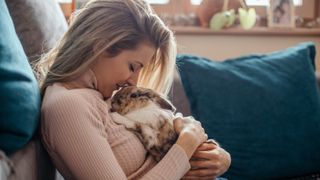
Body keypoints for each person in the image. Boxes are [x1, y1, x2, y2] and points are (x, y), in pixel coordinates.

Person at [36, 0, 231, 179]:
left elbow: (174, 127)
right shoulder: (68, 106)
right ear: (101, 45)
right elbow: (186, 140)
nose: (134, 81)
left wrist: (219, 159)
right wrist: (186, 144)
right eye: (132, 66)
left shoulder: (107, 96)